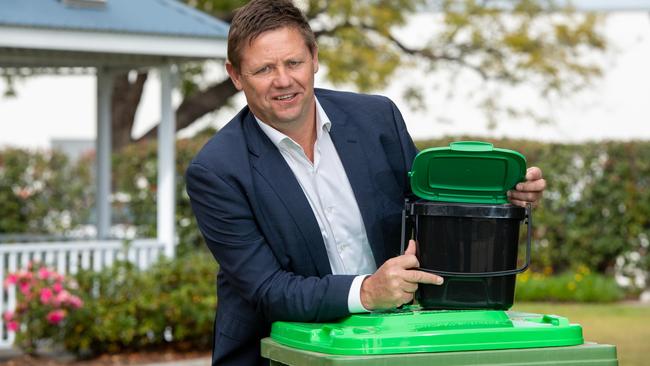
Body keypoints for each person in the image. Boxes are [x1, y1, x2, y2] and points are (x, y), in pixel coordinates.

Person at [185, 1, 546, 365]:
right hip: (277, 353)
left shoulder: (377, 120)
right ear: (235, 75)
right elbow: (267, 290)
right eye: (264, 69)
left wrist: (505, 199)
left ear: (314, 57)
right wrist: (368, 292)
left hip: (392, 343)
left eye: (293, 62)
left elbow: (432, 209)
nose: (283, 80)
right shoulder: (217, 171)